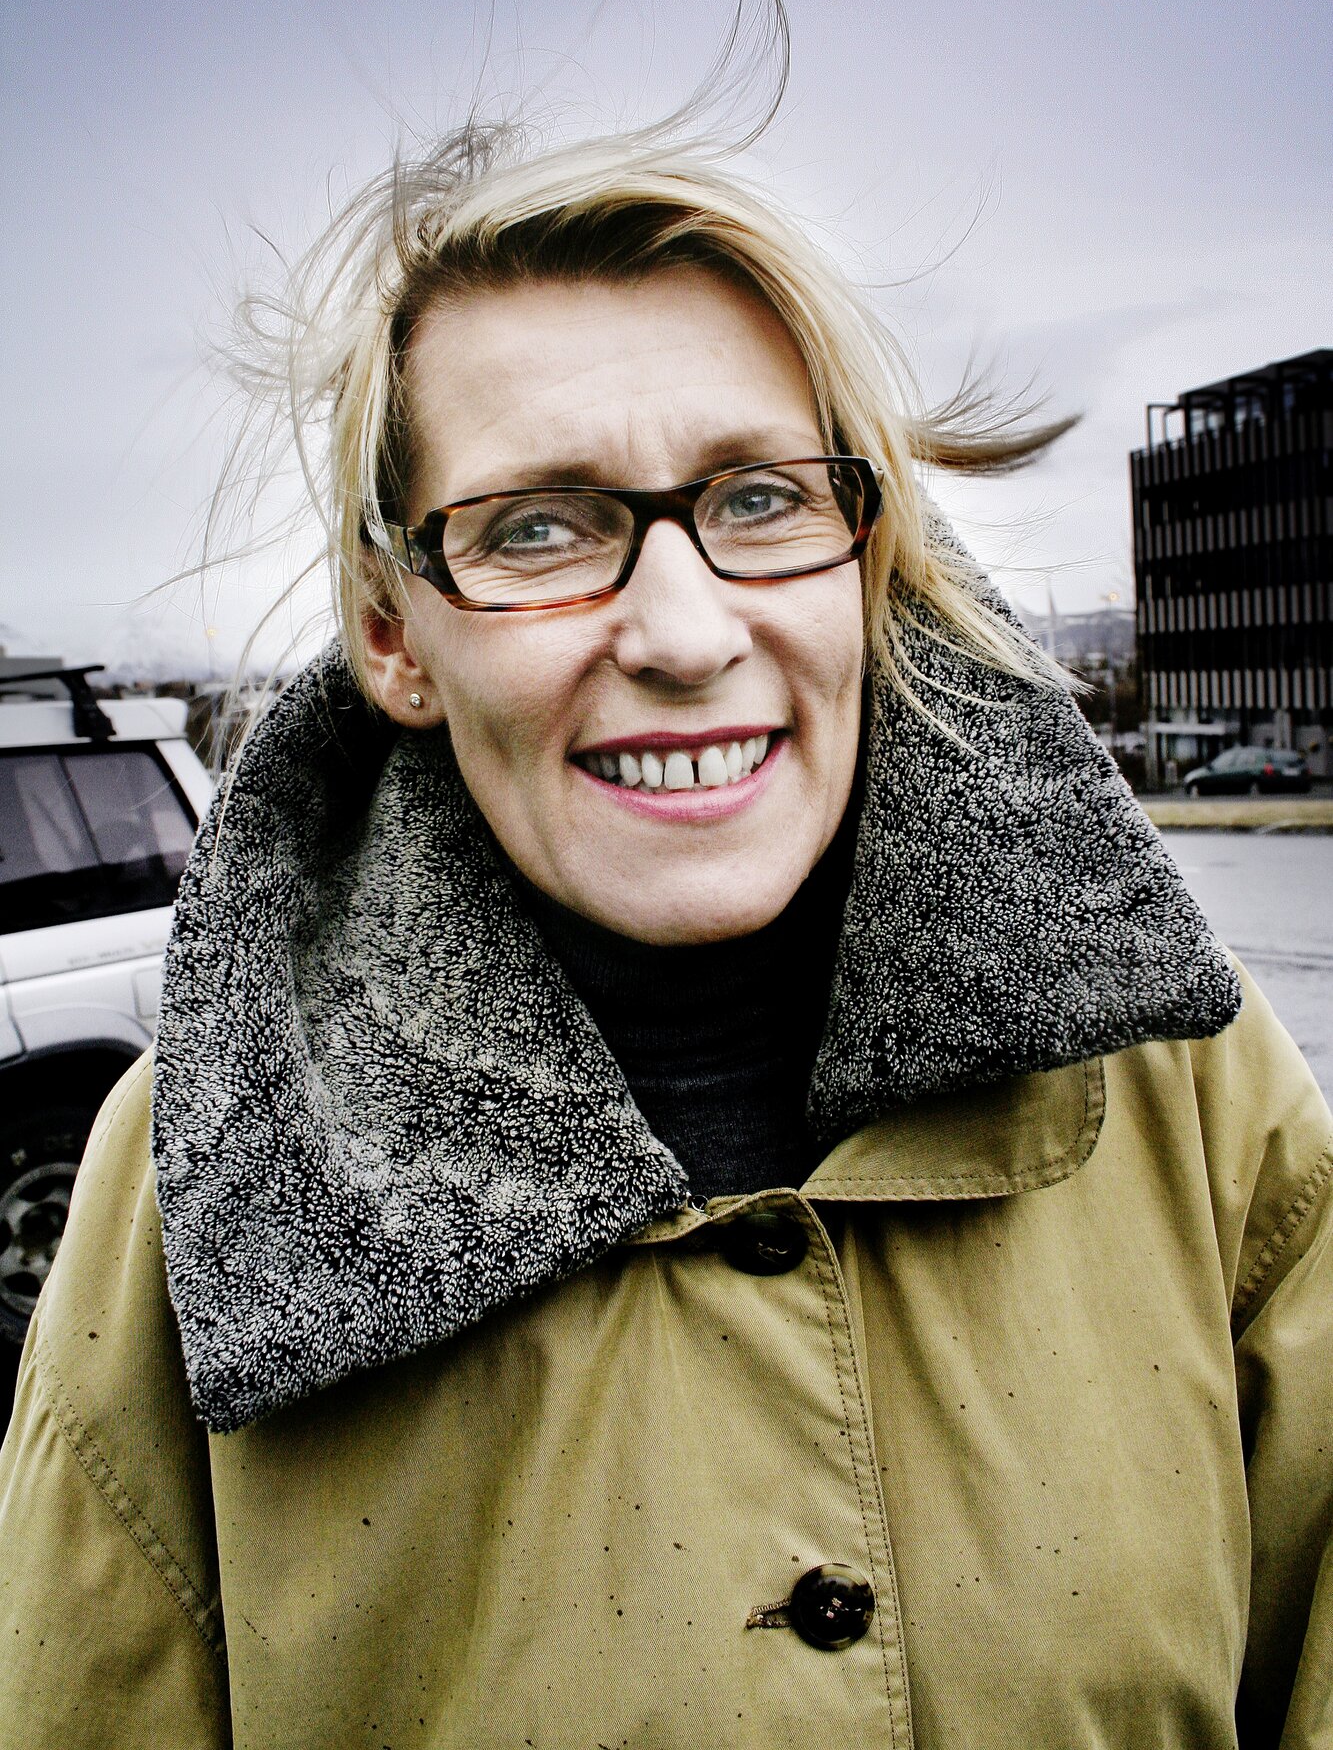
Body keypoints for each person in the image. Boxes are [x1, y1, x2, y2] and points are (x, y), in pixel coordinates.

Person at [1, 86, 1329, 1750]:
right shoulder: (189, 1171)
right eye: (537, 528)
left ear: (867, 551)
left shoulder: (1179, 1081)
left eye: (759, 498)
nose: (685, 633)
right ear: (394, 635)